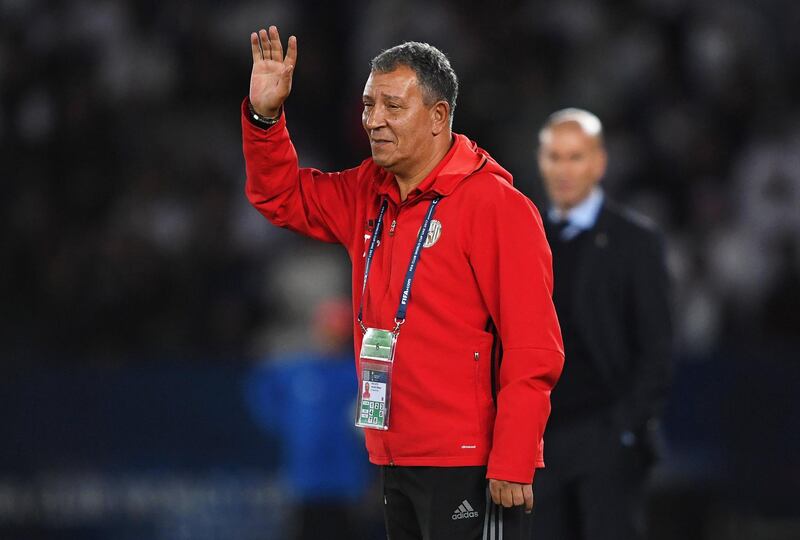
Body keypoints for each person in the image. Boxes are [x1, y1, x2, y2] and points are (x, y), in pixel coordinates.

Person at [241, 26, 564, 540]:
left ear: (438, 117)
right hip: (393, 455)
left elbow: (534, 347)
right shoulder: (366, 192)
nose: (373, 121)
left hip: (470, 463)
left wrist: (515, 457)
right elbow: (280, 197)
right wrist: (265, 119)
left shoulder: (497, 208)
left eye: (392, 106)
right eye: (368, 105)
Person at [531, 108, 673, 540]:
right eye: (554, 157)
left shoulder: (635, 241)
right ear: (541, 162)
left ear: (599, 163)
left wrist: (624, 430)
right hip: (539, 440)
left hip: (605, 434)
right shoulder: (526, 236)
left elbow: (657, 348)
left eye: (575, 157)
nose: (564, 169)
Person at [244, 298, 379, 540]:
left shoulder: (357, 373)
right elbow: (261, 387)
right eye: (328, 330)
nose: (331, 337)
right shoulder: (297, 370)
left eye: (337, 331)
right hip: (305, 481)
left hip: (346, 480)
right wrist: (288, 424)